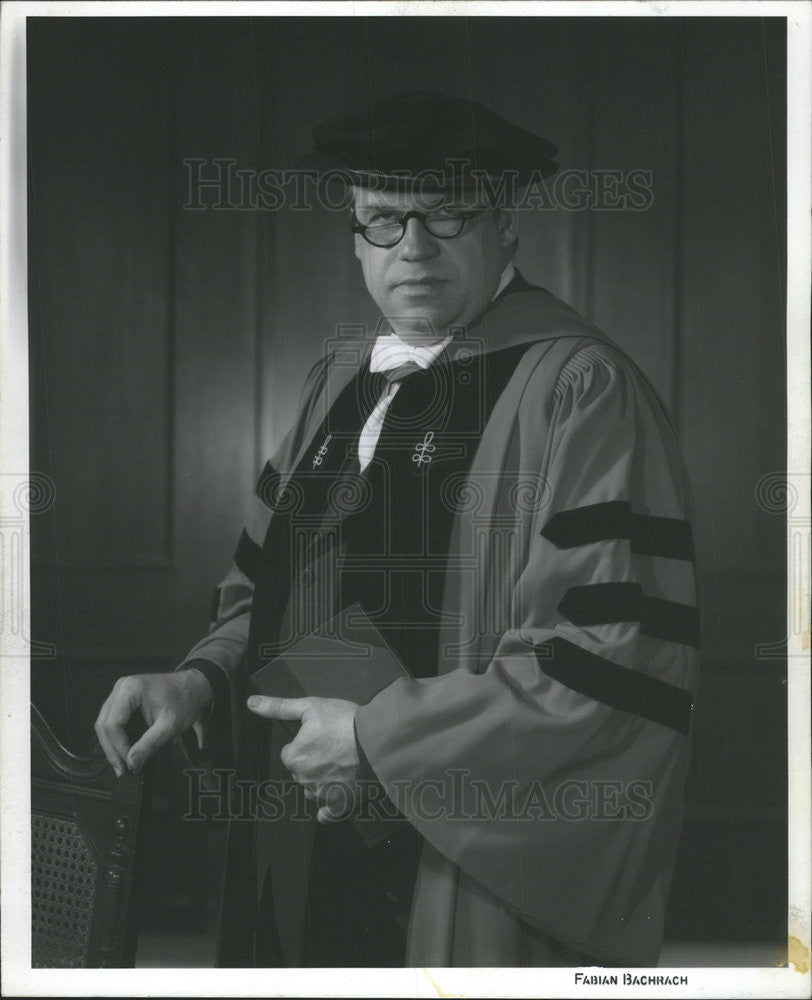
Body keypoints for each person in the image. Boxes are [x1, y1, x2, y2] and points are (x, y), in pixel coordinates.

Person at [95, 92, 700, 968]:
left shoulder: (582, 389)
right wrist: (200, 681)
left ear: (506, 229)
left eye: (447, 213)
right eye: (384, 218)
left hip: (455, 866)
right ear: (354, 236)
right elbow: (280, 598)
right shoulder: (339, 380)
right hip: (303, 830)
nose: (413, 248)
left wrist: (380, 743)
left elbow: (609, 659)